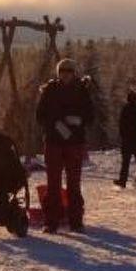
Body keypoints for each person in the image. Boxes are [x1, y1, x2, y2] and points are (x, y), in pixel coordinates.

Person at [34, 58, 94, 231]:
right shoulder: (49, 90)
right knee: (53, 183)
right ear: (58, 73)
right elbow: (40, 116)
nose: (66, 74)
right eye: (62, 71)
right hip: (54, 142)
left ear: (74, 73)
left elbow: (90, 116)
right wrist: (55, 124)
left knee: (74, 183)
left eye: (69, 71)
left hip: (74, 143)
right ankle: (51, 221)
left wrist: (78, 120)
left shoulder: (82, 91)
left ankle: (76, 221)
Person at [116, 90, 136, 188]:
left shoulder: (125, 109)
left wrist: (122, 135)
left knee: (126, 161)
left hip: (127, 139)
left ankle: (122, 181)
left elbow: (121, 124)